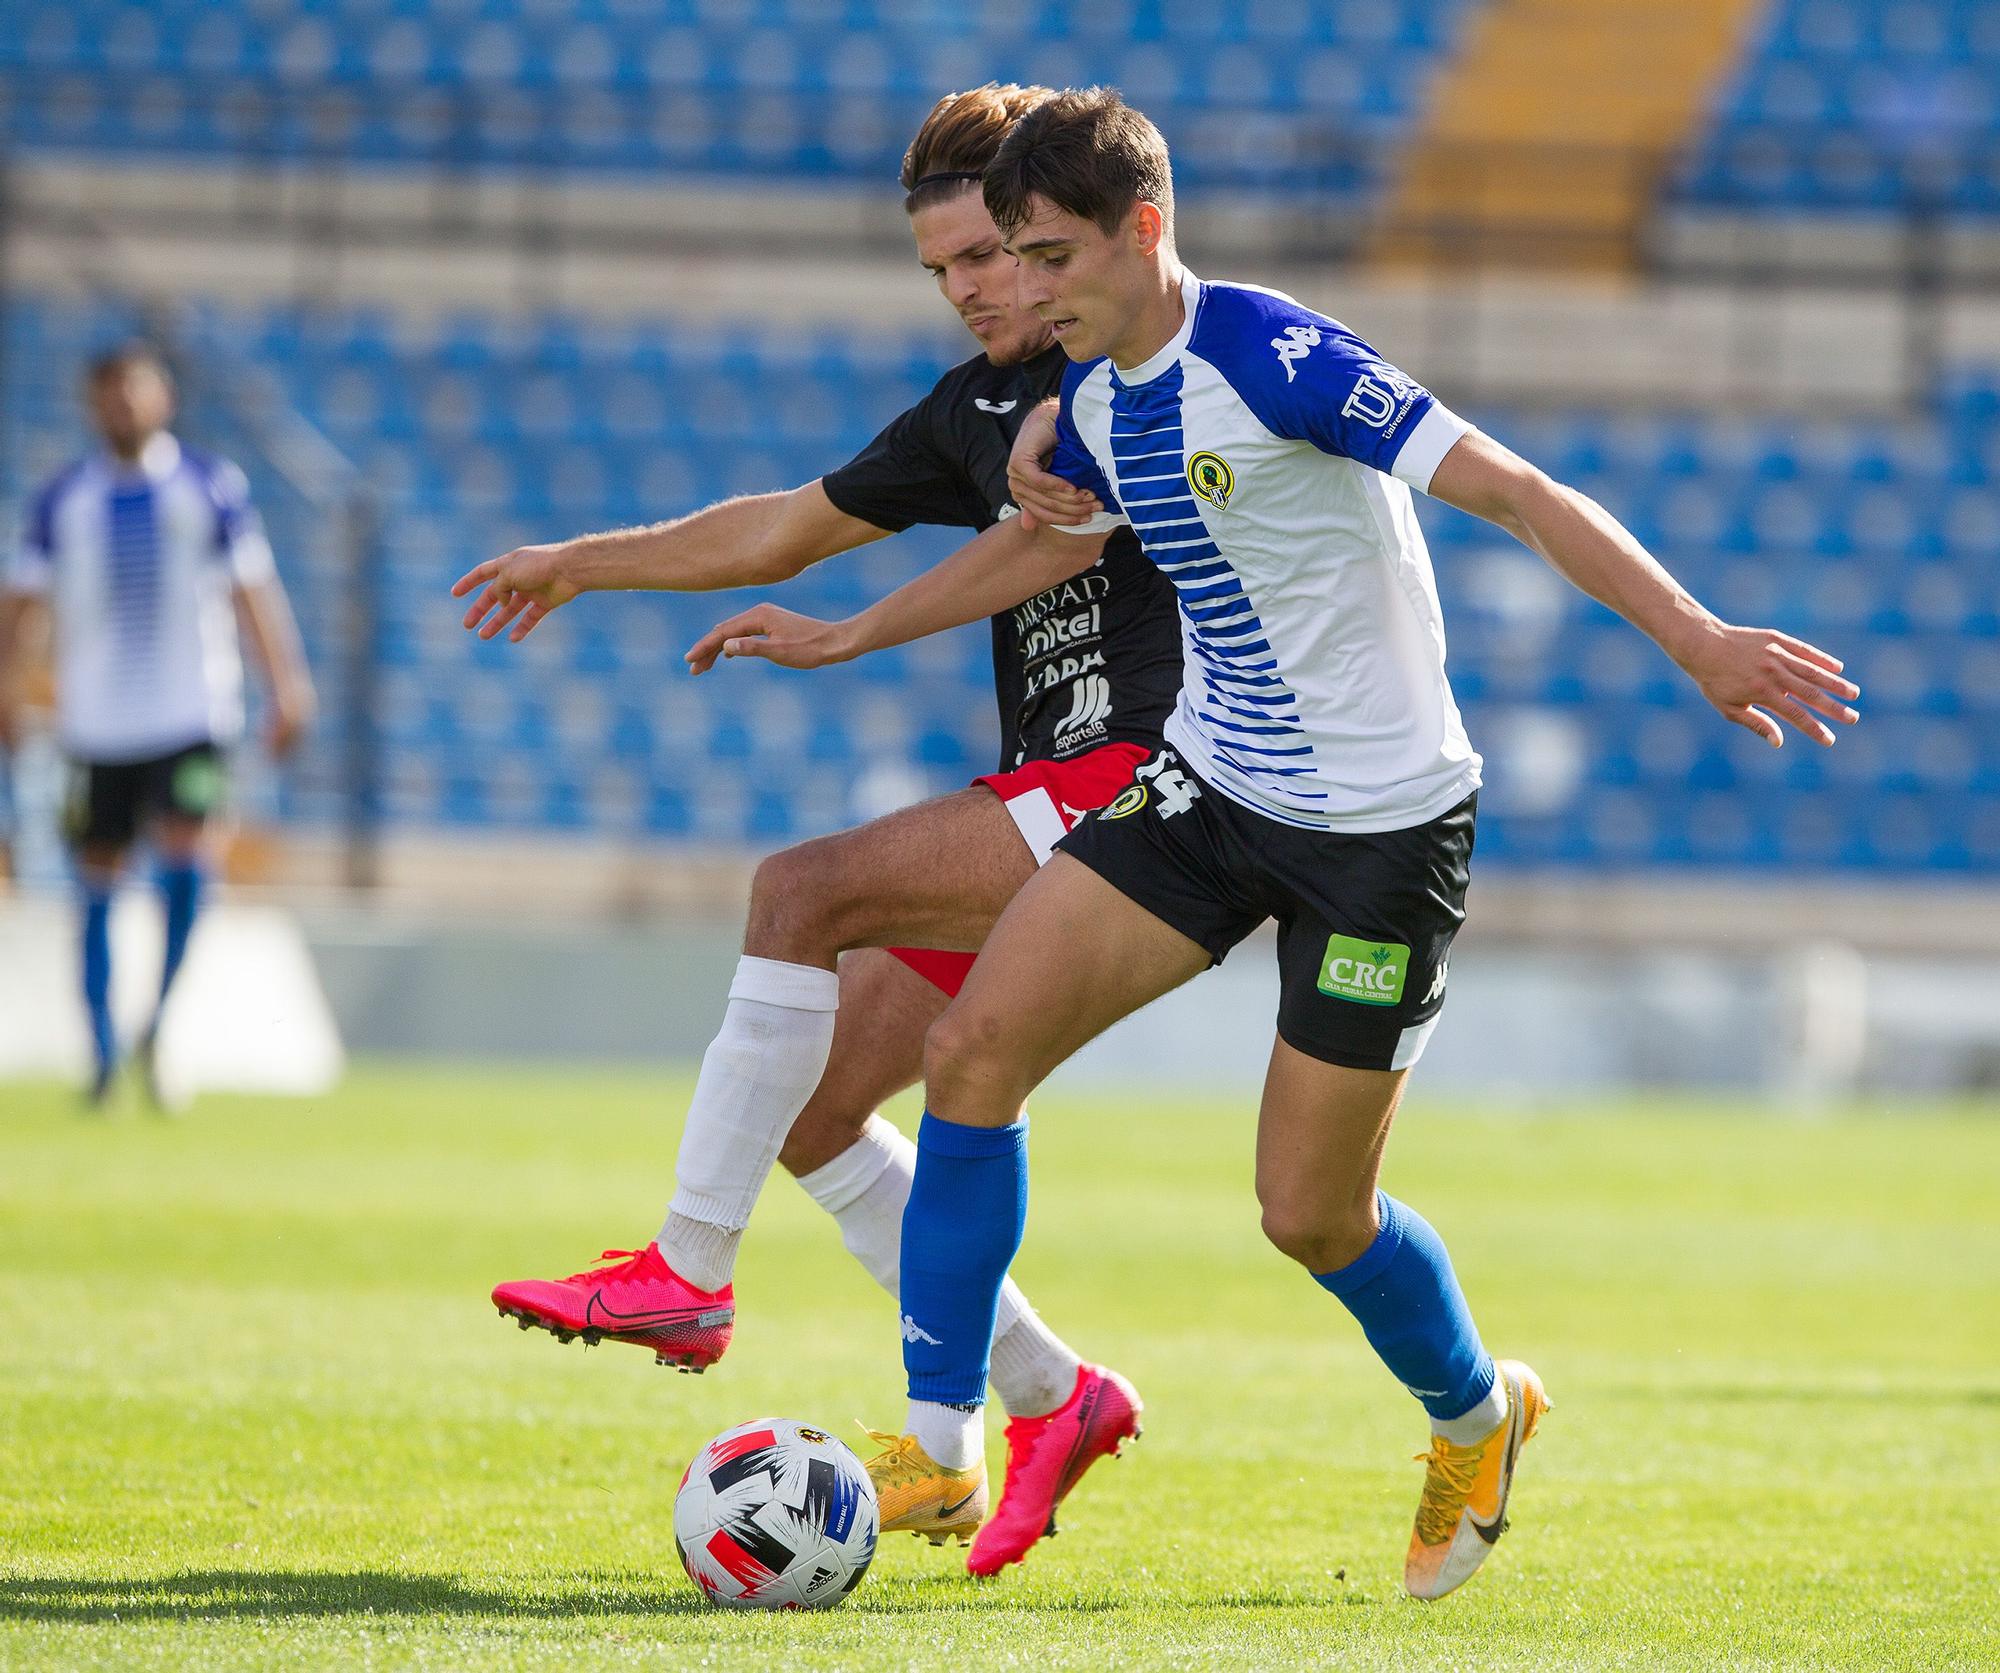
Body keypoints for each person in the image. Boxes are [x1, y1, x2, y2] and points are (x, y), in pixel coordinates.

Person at [686, 87, 1861, 1599]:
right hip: (1213, 790)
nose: (1026, 294)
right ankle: (940, 1431)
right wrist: (851, 633)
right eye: (1011, 262)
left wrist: (1697, 638)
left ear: (1144, 232)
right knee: (975, 1053)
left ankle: (1476, 1411)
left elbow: (1514, 488)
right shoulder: (1092, 398)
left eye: (1050, 259)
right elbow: (1028, 543)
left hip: (1383, 833)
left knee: (1309, 1212)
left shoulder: (1281, 358)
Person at [452, 85, 1185, 1573]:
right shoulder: (973, 405)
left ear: (1059, 235)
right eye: (944, 271)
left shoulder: (1123, 375)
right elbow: (784, 524)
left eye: (993, 253)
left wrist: (847, 636)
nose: (977, 289)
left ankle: (689, 1269)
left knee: (800, 889)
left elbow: (1033, 538)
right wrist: (580, 563)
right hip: (1049, 786)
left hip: (1143, 779)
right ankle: (1056, 1394)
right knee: (813, 1107)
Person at [0, 343, 315, 1109]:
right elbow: (22, 605)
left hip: (191, 715)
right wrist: (9, 686)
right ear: (92, 405)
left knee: (187, 855)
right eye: (109, 395)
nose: (123, 407)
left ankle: (160, 1024)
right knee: (96, 878)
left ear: (162, 399)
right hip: (97, 725)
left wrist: (288, 684)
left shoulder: (211, 486)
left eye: (134, 392)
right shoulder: (61, 499)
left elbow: (252, 590)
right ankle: (103, 1050)